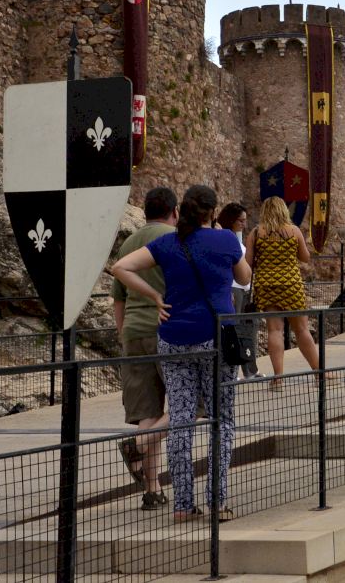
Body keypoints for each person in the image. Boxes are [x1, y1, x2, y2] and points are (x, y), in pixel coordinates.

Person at [111, 185, 249, 521]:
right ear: (212, 212)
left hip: (173, 338)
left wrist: (156, 297)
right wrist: (224, 236)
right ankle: (217, 502)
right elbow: (245, 277)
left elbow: (121, 268)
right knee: (221, 420)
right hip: (214, 338)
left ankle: (183, 506)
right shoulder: (226, 240)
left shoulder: (168, 243)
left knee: (181, 419)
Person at [111, 187, 176, 509]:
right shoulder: (174, 239)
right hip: (166, 328)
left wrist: (124, 333)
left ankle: (152, 490)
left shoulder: (129, 243)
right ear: (174, 212)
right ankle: (136, 447)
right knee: (187, 404)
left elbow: (118, 298)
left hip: (134, 331)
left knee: (148, 412)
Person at [246, 196, 326, 380]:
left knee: (274, 330)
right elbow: (305, 257)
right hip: (291, 284)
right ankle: (319, 373)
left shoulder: (256, 233)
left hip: (267, 284)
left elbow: (248, 262)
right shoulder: (293, 230)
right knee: (302, 330)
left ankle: (278, 377)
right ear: (284, 210)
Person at [217, 202, 259, 379]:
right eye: (240, 220)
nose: (244, 224)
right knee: (233, 330)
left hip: (246, 287)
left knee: (248, 330)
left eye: (244, 220)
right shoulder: (224, 236)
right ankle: (233, 370)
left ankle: (250, 370)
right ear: (231, 220)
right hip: (234, 287)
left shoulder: (238, 237)